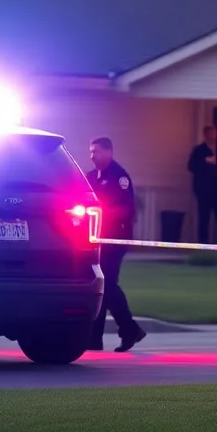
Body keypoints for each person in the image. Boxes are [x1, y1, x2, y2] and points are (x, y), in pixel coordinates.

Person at [87, 136, 147, 352]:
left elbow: (127, 209)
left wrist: (102, 216)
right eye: (91, 152)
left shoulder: (119, 177)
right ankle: (95, 339)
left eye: (98, 151)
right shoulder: (91, 177)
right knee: (99, 285)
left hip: (114, 238)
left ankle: (130, 329)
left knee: (107, 284)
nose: (93, 156)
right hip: (96, 240)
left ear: (109, 152)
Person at [186, 126, 217, 244]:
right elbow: (191, 166)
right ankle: (202, 246)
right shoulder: (199, 150)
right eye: (209, 134)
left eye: (214, 133)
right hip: (204, 192)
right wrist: (205, 161)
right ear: (205, 135)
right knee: (203, 219)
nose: (212, 136)